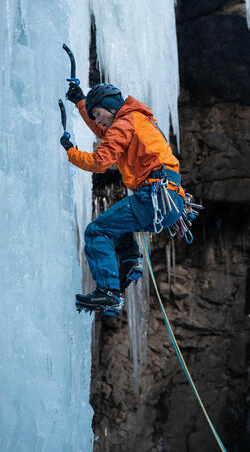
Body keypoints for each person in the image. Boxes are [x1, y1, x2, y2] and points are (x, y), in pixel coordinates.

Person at [60, 82, 184, 316]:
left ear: (110, 107)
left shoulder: (125, 122)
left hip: (154, 196)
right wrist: (81, 104)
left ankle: (109, 292)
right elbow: (106, 133)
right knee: (116, 224)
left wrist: (70, 152)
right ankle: (129, 262)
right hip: (172, 201)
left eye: (98, 114)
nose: (98, 121)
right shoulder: (137, 119)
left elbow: (100, 162)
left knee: (97, 231)